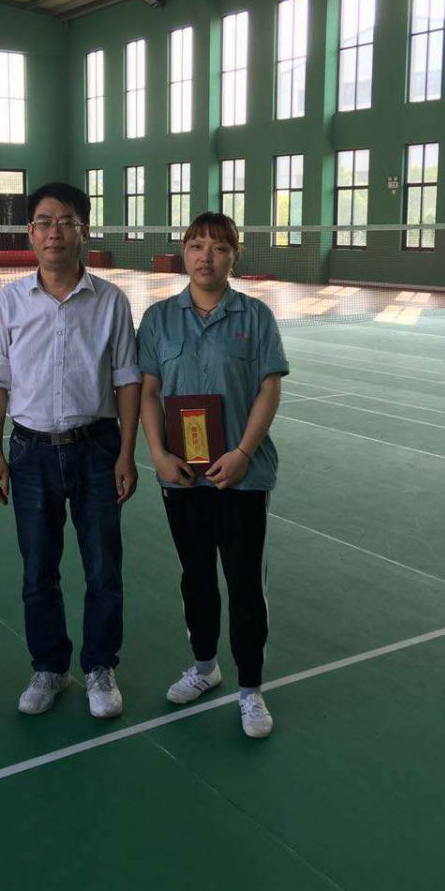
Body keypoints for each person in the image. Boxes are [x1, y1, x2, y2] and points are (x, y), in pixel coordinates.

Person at [0, 182, 141, 719]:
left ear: (83, 231)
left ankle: (100, 667)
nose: (55, 231)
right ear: (30, 233)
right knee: (38, 571)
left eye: (65, 221)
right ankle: (49, 667)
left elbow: (127, 381)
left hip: (97, 449)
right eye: (44, 222)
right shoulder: (9, 300)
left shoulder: (111, 301)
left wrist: (126, 453)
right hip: (30, 453)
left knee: (103, 569)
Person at [137, 213, 289, 739]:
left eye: (219, 248)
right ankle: (204, 667)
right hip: (181, 477)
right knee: (196, 576)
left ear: (234, 257)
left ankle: (250, 689)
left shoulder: (256, 316)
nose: (207, 256)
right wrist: (157, 453)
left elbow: (269, 387)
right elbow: (148, 391)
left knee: (245, 583)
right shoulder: (158, 319)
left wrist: (244, 452)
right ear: (184, 252)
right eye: (197, 245)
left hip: (241, 476)